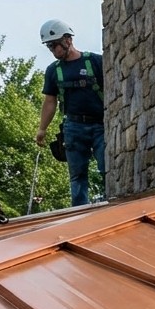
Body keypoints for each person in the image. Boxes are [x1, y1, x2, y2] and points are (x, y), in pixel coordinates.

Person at [36, 19, 105, 206]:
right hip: (73, 127)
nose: (53, 50)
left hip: (101, 124)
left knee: (107, 167)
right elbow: (50, 101)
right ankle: (80, 213)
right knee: (77, 175)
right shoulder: (53, 71)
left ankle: (111, 205)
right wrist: (42, 129)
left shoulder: (95, 61)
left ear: (67, 40)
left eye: (54, 45)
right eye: (49, 47)